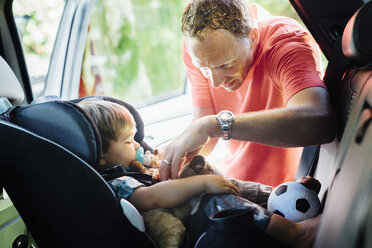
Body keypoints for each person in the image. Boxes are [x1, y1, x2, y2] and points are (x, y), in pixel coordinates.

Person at [78, 98, 320, 248]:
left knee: (228, 184)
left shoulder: (134, 169)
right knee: (215, 200)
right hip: (189, 235)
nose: (139, 146)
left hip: (194, 222)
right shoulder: (116, 183)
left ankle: (282, 198)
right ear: (101, 156)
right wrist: (202, 183)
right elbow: (151, 198)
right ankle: (296, 234)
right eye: (129, 141)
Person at [160, 0, 335, 186]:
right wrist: (177, 154)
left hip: (287, 190)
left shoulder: (286, 43)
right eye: (205, 70)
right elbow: (204, 120)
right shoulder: (201, 49)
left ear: (252, 37)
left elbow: (319, 121)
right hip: (233, 181)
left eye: (225, 64)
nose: (215, 82)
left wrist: (217, 125)